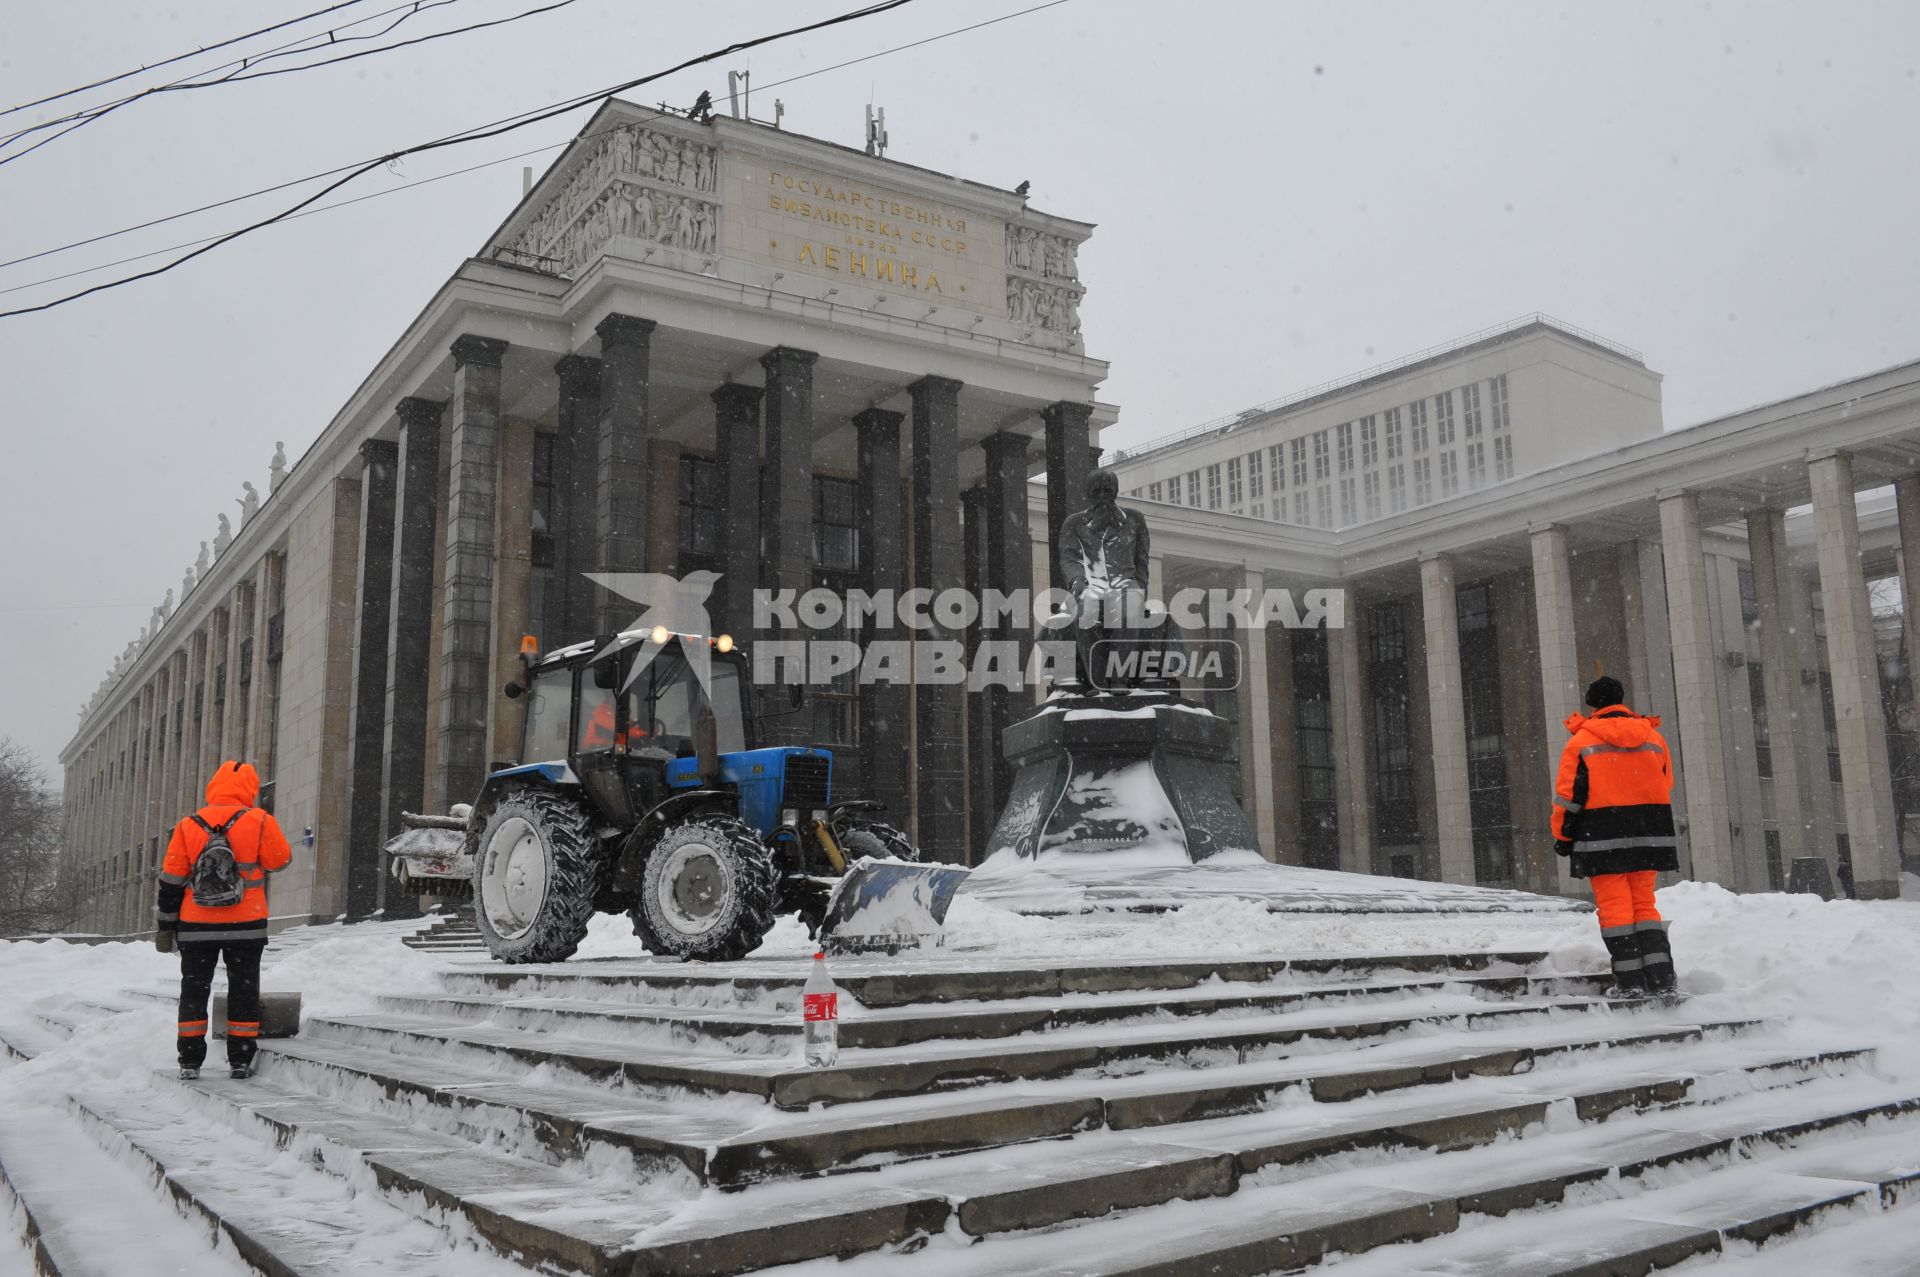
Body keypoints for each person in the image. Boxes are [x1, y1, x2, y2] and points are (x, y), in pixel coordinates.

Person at [155, 760, 293, 1078]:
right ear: (250, 789)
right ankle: (241, 1059)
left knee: (194, 991)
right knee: (243, 990)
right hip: (246, 925)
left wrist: (166, 925)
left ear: (214, 785)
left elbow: (171, 880)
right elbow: (280, 860)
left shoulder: (188, 824)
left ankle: (189, 1060)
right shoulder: (259, 819)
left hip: (195, 927)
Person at [1551, 676, 1680, 997]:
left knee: (1616, 911)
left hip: (1601, 835)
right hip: (1649, 833)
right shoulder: (1653, 737)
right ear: (1622, 700)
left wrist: (1563, 837)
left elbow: (1569, 797)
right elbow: (1666, 784)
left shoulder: (1581, 741)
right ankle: (1662, 979)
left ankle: (1631, 983)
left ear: (1593, 704)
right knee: (1644, 906)